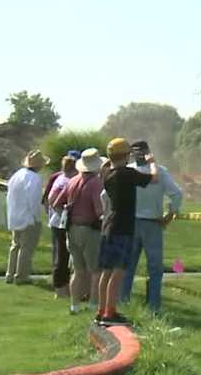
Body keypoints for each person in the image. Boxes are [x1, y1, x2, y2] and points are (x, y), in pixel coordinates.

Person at [96, 137, 159, 326]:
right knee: (119, 271)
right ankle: (110, 312)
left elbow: (108, 164)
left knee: (106, 271)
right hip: (123, 227)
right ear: (126, 155)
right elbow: (154, 178)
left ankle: (101, 310)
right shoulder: (127, 173)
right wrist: (152, 163)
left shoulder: (106, 173)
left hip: (108, 225)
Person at [119, 140, 183, 313]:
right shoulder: (160, 171)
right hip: (152, 224)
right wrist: (170, 214)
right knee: (155, 269)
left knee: (128, 266)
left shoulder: (127, 171)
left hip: (131, 223)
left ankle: (122, 303)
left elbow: (106, 195)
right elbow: (176, 193)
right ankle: (154, 307)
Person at [54, 148, 106, 313]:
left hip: (72, 230)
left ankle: (74, 305)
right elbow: (99, 211)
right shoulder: (96, 183)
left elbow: (55, 203)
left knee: (78, 270)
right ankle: (93, 305)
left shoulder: (72, 180)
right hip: (89, 230)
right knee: (96, 270)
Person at [5, 150, 47, 284]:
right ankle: (21, 275)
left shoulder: (16, 175)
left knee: (15, 246)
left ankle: (10, 273)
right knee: (26, 248)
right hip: (28, 217)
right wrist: (37, 218)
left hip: (15, 216)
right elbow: (34, 201)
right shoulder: (35, 178)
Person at [46, 154, 79, 297]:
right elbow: (54, 201)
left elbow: (49, 200)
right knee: (62, 257)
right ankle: (61, 288)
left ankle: (62, 287)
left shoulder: (60, 178)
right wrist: (65, 213)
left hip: (56, 221)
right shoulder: (67, 181)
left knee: (61, 256)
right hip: (61, 223)